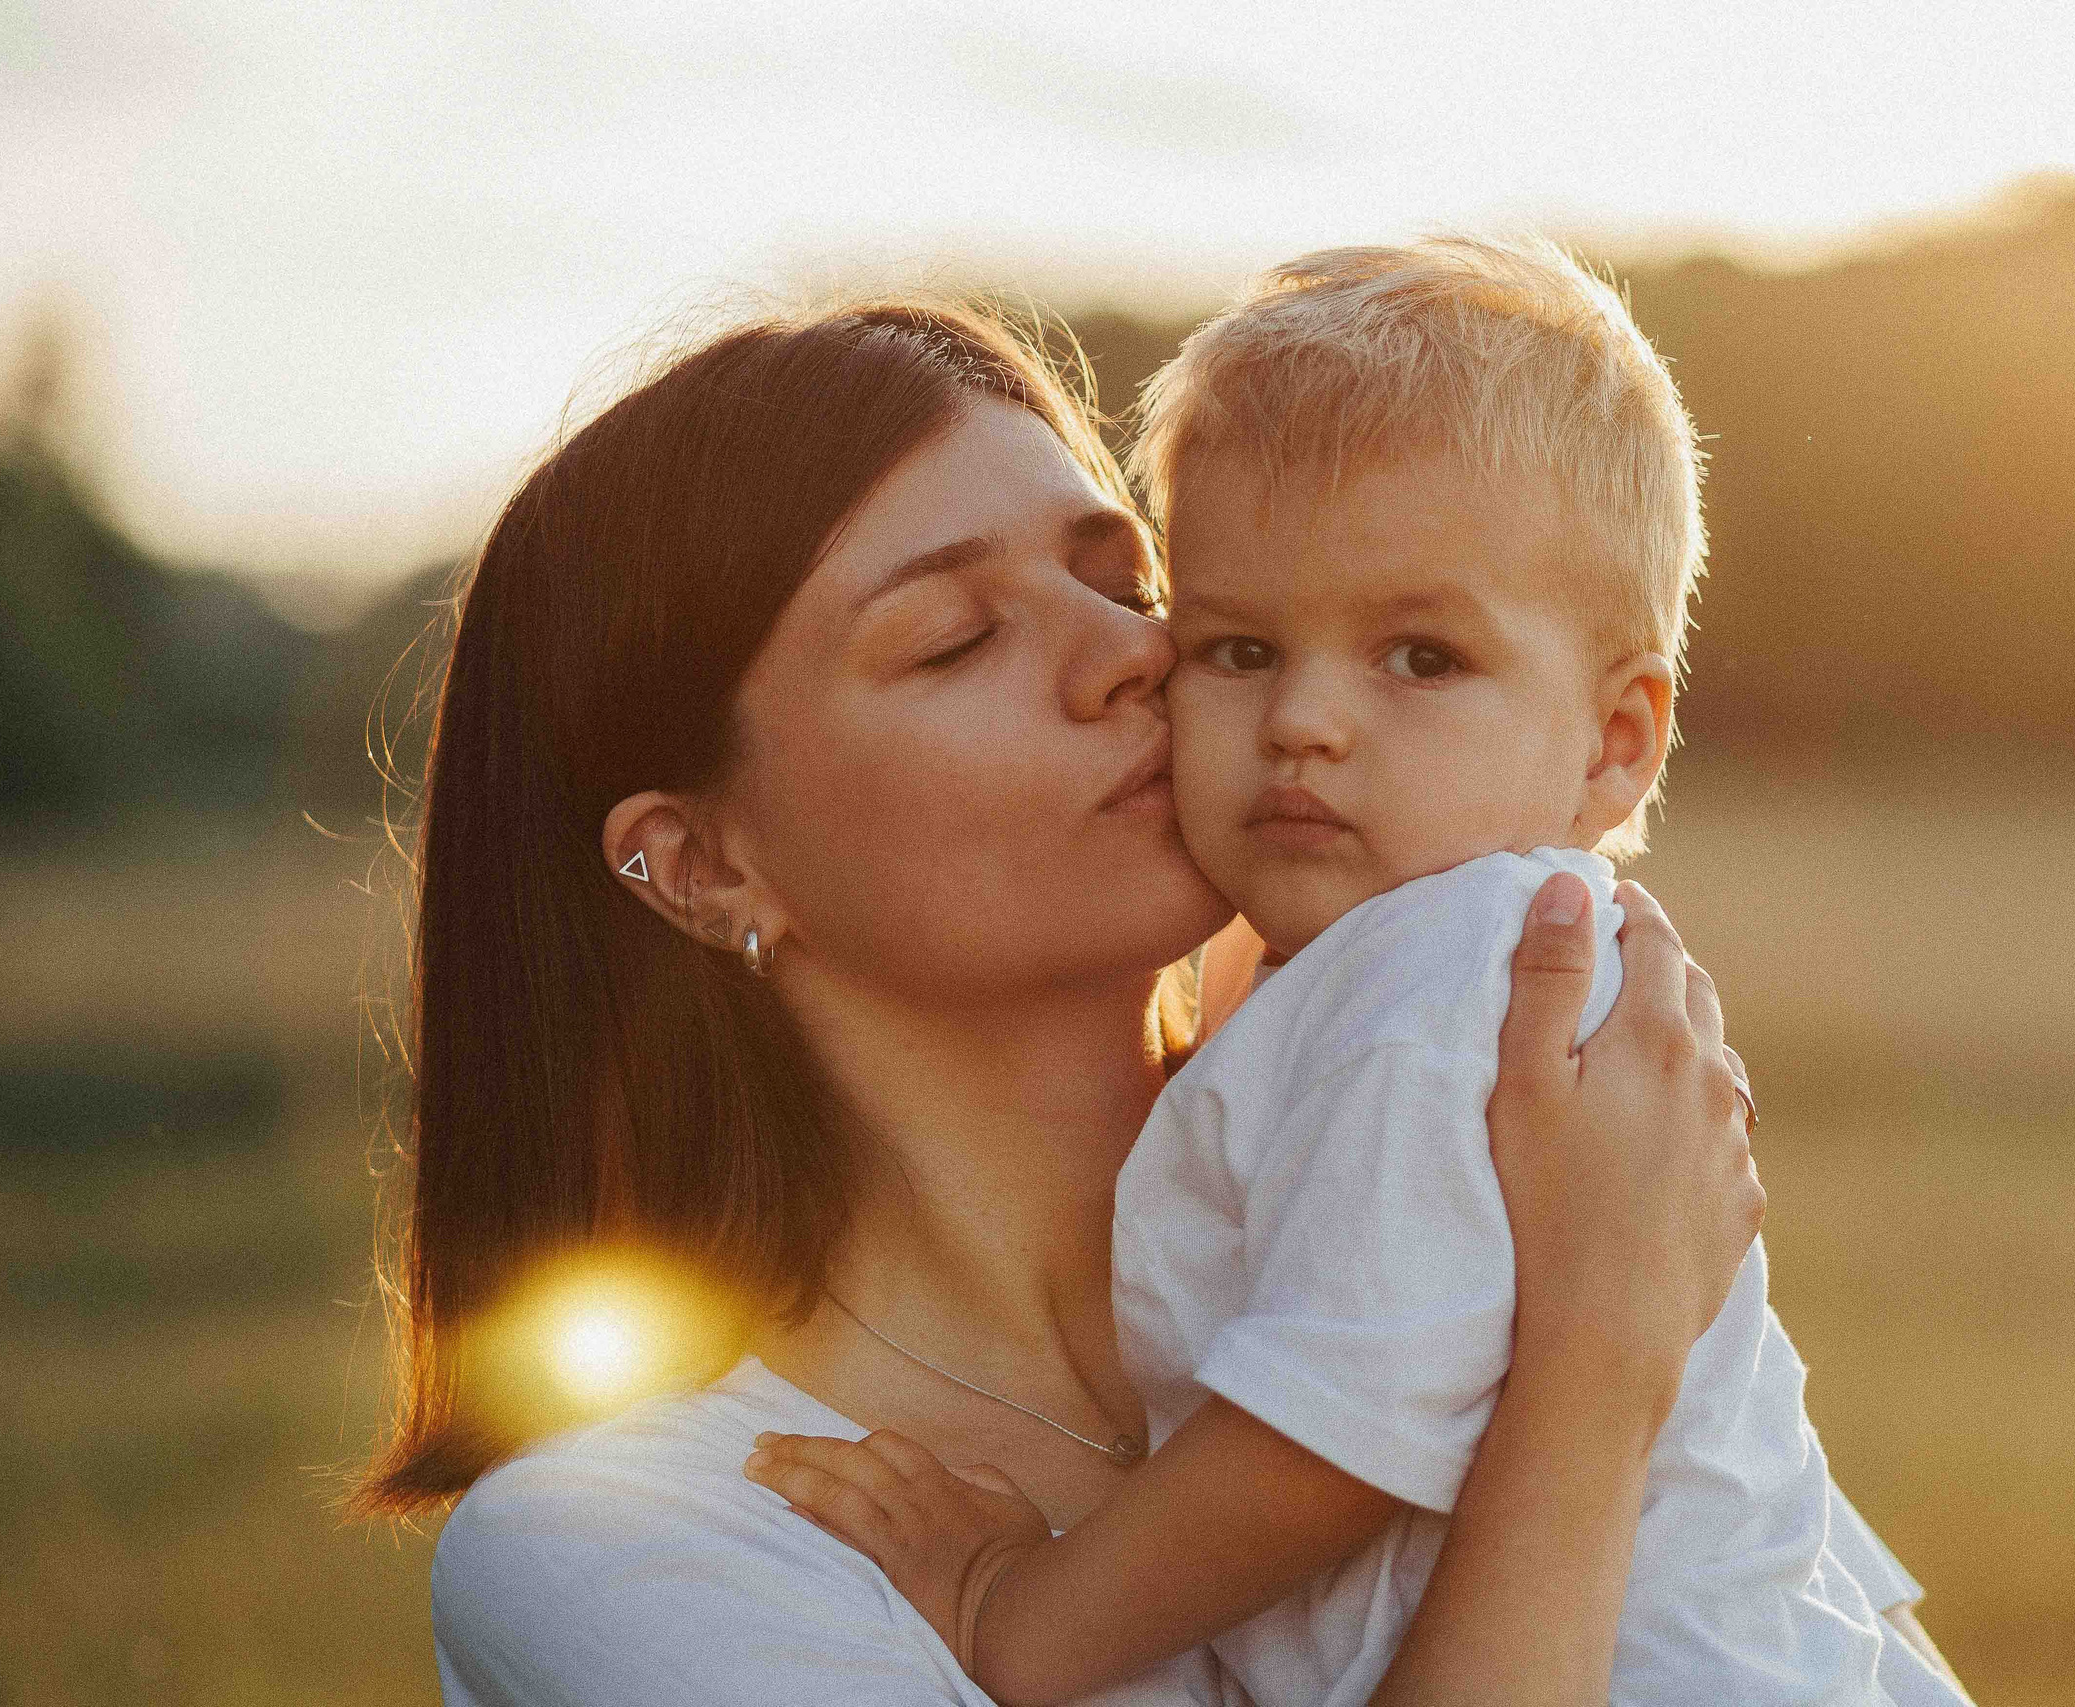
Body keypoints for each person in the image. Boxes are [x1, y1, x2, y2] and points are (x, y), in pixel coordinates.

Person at [357, 296, 1768, 1704]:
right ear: (705, 865)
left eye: (1134, 585)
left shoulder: (1474, 1148)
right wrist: (1591, 1377)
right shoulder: (636, 1546)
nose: (1133, 656)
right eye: (959, 636)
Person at [744, 240, 1970, 1707]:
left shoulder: (1459, 978)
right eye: (1240, 647)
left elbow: (1341, 1427)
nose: (1307, 720)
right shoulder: (1371, 979)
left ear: (1617, 740)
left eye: (1422, 659)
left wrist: (1021, 1608)